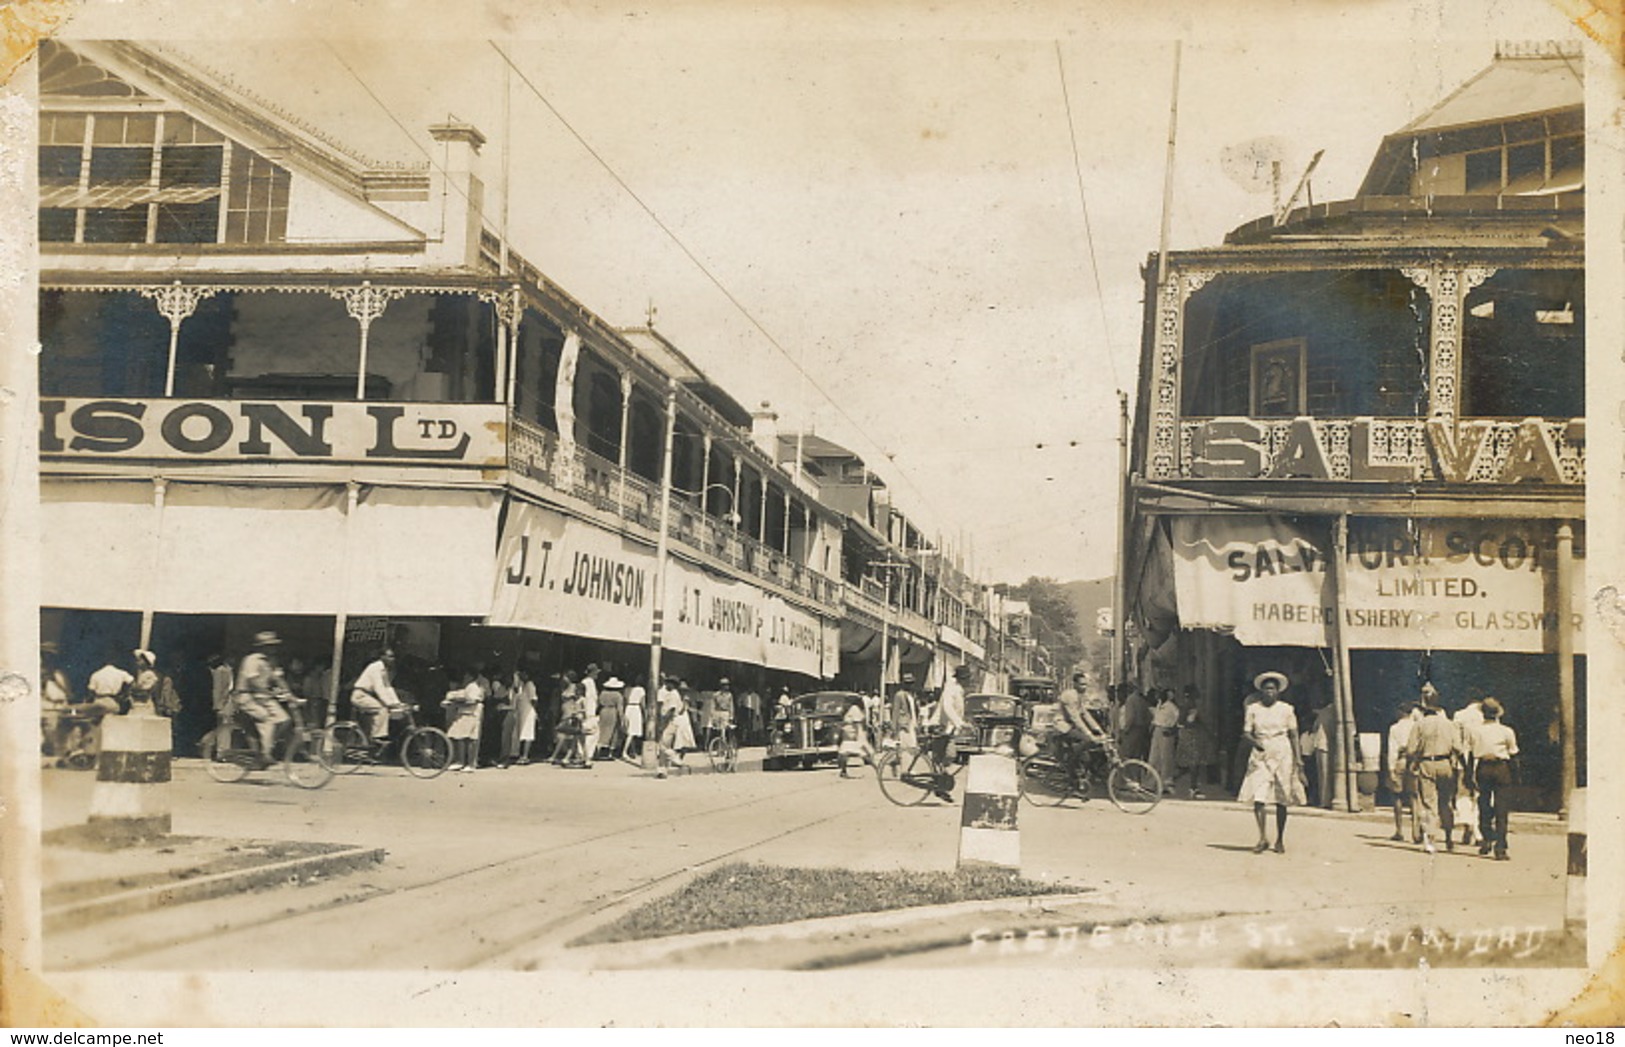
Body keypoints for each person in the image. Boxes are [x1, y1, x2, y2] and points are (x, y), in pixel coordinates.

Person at [1238, 671, 1306, 854]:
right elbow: (1246, 733)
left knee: (1282, 797)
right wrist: (1256, 743)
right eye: (1266, 689)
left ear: (1278, 691)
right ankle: (1262, 837)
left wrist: (1298, 760)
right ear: (1260, 691)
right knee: (1259, 796)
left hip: (1282, 752)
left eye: (1273, 689)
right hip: (1260, 753)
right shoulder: (1253, 709)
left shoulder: (1286, 709)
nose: (1269, 692)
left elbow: (1293, 735)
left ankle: (1280, 839)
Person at [1409, 684, 1461, 854]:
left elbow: (1411, 749)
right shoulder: (1450, 724)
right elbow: (1458, 747)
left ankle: (1430, 840)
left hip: (1426, 763)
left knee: (1429, 803)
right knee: (1446, 801)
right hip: (1445, 763)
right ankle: (1448, 837)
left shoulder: (1419, 725)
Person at [233, 631, 292, 764]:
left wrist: (290, 695)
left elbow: (278, 679)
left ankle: (267, 745)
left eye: (274, 645)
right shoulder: (252, 660)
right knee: (267, 719)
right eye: (269, 645)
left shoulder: (272, 661)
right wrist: (269, 691)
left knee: (285, 720)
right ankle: (265, 754)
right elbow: (253, 680)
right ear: (260, 647)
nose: (273, 648)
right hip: (246, 696)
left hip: (263, 697)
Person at [1471, 697, 1518, 861]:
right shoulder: (1506, 731)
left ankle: (1486, 837)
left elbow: (1471, 753)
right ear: (1498, 713)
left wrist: (1470, 775)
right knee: (1501, 808)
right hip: (1501, 767)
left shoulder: (1475, 731)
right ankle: (1501, 847)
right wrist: (1515, 775)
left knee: (1483, 804)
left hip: (1483, 767)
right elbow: (1513, 753)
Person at [924, 665, 971, 803]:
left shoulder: (959, 691)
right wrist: (958, 722)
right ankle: (938, 782)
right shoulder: (951, 689)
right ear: (962, 679)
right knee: (949, 754)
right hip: (940, 726)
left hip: (947, 728)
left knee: (943, 757)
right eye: (967, 679)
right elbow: (947, 707)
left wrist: (962, 722)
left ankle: (939, 785)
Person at [351, 648, 404, 748]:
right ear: (382, 657)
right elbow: (379, 687)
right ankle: (377, 737)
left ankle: (371, 743)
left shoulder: (384, 670)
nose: (392, 659)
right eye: (389, 656)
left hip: (367, 696)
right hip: (360, 695)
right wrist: (389, 703)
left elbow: (388, 687)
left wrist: (397, 702)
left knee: (384, 710)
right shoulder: (375, 668)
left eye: (393, 657)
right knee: (382, 709)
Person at [1386, 702, 1422, 843]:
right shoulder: (1417, 726)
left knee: (1397, 796)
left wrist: (1391, 769)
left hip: (1400, 760)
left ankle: (1399, 830)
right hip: (1414, 761)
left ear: (1400, 712)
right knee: (1414, 796)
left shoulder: (1395, 728)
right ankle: (1415, 830)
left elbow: (1392, 749)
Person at [1453, 696, 1486, 847]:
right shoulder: (1485, 715)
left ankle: (1468, 826)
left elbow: (1456, 741)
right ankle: (1478, 830)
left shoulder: (1459, 715)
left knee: (1463, 794)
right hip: (1481, 757)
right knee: (1479, 794)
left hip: (1463, 759)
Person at [1172, 685, 1215, 799]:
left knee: (1188, 764)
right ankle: (1192, 788)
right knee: (1193, 763)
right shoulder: (1191, 706)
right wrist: (1206, 729)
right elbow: (1189, 721)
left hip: (1186, 735)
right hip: (1191, 736)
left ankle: (1171, 781)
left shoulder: (1184, 705)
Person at [443, 669, 483, 773]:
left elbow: (473, 701)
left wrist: (455, 704)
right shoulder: (467, 687)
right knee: (457, 737)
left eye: (466, 675)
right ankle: (459, 761)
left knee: (469, 739)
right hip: (463, 714)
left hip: (470, 715)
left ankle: (470, 763)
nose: (464, 677)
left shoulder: (473, 687)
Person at [656, 674, 695, 778]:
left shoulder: (674, 694)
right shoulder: (671, 694)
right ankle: (662, 771)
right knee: (663, 746)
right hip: (670, 720)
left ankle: (676, 759)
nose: (666, 684)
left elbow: (671, 710)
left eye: (668, 683)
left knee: (663, 745)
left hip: (670, 721)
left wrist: (662, 723)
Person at [1299, 696, 1332, 808]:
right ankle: (1322, 800)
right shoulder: (1324, 713)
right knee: (1322, 775)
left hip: (1323, 746)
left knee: (1323, 775)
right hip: (1319, 747)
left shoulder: (1327, 712)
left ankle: (1324, 801)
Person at [129, 649, 181, 718]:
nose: (137, 662)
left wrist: (135, 688)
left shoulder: (150, 674)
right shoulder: (142, 674)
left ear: (146, 662)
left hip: (146, 703)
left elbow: (148, 688)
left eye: (140, 660)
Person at [503, 667, 538, 766]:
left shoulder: (530, 685)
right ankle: (516, 754)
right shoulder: (519, 686)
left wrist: (535, 711)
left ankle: (525, 756)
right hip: (520, 712)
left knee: (527, 733)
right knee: (518, 733)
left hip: (528, 711)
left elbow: (533, 699)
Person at [1148, 689, 1180, 792]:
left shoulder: (1171, 707)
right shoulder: (1159, 705)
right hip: (1157, 730)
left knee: (1165, 758)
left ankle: (1165, 784)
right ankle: (1150, 784)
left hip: (1166, 731)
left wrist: (1172, 730)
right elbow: (1156, 719)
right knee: (1154, 757)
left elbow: (1177, 720)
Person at [837, 696, 871, 778]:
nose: (844, 704)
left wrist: (858, 735)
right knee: (843, 754)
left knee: (863, 754)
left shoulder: (854, 709)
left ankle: (877, 767)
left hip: (853, 737)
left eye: (846, 702)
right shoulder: (849, 710)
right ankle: (843, 771)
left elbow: (857, 723)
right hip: (847, 736)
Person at [1120, 685, 1152, 762]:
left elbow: (1131, 717)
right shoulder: (1142, 700)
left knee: (1129, 756)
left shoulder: (1130, 700)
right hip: (1142, 730)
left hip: (1133, 730)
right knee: (1138, 755)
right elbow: (1149, 716)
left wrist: (1125, 730)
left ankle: (1130, 773)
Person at [597, 676, 626, 760]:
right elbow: (620, 708)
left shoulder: (602, 693)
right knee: (613, 731)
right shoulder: (618, 695)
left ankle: (598, 749)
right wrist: (622, 718)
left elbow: (598, 703)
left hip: (603, 711)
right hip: (612, 711)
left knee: (602, 730)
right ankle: (610, 753)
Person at [890, 672, 920, 749]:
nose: (909, 685)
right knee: (905, 746)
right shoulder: (899, 695)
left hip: (912, 722)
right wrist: (894, 726)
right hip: (903, 723)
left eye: (911, 683)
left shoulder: (912, 695)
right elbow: (895, 710)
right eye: (907, 683)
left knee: (913, 745)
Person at [623, 676, 646, 761]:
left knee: (630, 731)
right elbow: (643, 703)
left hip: (628, 709)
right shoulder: (641, 690)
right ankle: (624, 752)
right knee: (632, 732)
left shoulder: (627, 689)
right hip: (635, 708)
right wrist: (645, 713)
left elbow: (625, 701)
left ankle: (633, 751)